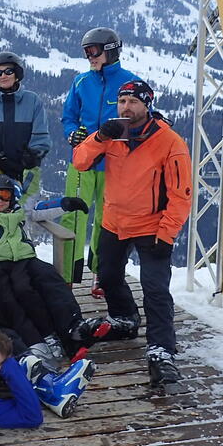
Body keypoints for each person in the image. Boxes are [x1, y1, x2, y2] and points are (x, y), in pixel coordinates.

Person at [72, 79, 193, 391]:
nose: (126, 108)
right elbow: (80, 161)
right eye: (122, 101)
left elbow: (181, 194)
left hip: (152, 226)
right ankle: (124, 319)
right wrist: (100, 136)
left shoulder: (169, 141)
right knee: (108, 276)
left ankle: (161, 350)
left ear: (146, 105)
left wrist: (167, 233)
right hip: (114, 222)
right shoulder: (112, 134)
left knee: (155, 290)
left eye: (133, 102)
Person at [0, 168, 94, 365]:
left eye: (4, 195)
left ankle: (65, 332)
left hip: (22, 259)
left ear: (12, 196)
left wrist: (34, 168)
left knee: (28, 289)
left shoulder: (21, 209)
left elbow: (32, 191)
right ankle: (37, 341)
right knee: (6, 297)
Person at [60, 27, 140, 287]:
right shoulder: (81, 82)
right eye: (86, 52)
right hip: (82, 160)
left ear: (110, 51)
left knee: (107, 218)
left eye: (93, 51)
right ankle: (68, 275)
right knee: (74, 213)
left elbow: (141, 119)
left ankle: (100, 274)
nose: (89, 57)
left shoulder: (129, 83)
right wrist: (72, 135)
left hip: (115, 163)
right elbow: (68, 117)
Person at [0, 50, 50, 186]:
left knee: (27, 199)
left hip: (26, 170)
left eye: (8, 71)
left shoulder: (32, 101)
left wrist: (30, 158)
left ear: (17, 74)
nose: (3, 76)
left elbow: (41, 137)